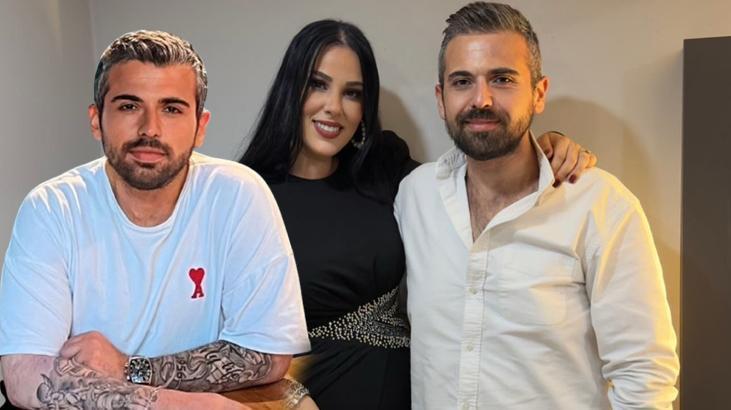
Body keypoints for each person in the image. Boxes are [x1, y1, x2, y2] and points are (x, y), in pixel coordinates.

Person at [240, 19, 596, 410]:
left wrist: (546, 146)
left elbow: (474, 174)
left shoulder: (384, 169)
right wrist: (287, 398)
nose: (334, 107)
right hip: (306, 400)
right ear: (291, 89)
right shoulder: (248, 196)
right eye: (317, 84)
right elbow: (231, 336)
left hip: (408, 393)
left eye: (352, 93)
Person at [0, 30, 310, 410]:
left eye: (172, 109)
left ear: (200, 126)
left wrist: (129, 367)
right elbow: (26, 376)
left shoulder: (237, 195)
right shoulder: (51, 208)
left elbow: (269, 354)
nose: (150, 129)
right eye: (129, 106)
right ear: (97, 120)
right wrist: (188, 406)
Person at [395, 2, 680, 409]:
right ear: (441, 99)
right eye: (462, 81)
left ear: (539, 93)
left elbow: (644, 374)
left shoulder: (599, 206)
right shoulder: (415, 197)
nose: (481, 99)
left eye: (502, 79)